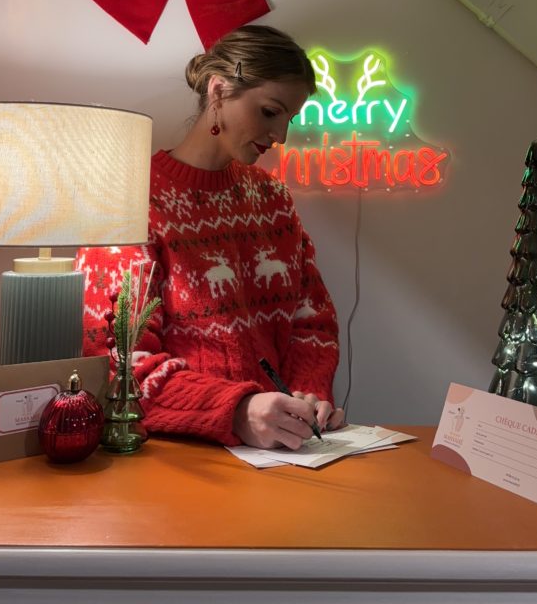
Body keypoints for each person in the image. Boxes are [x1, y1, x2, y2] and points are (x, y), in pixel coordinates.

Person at [78, 25, 344, 450]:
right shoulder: (129, 201)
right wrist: (237, 411)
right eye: (270, 112)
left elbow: (313, 323)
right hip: (175, 456)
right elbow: (119, 363)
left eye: (289, 119)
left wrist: (306, 396)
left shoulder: (273, 199)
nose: (280, 136)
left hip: (279, 453)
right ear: (218, 91)